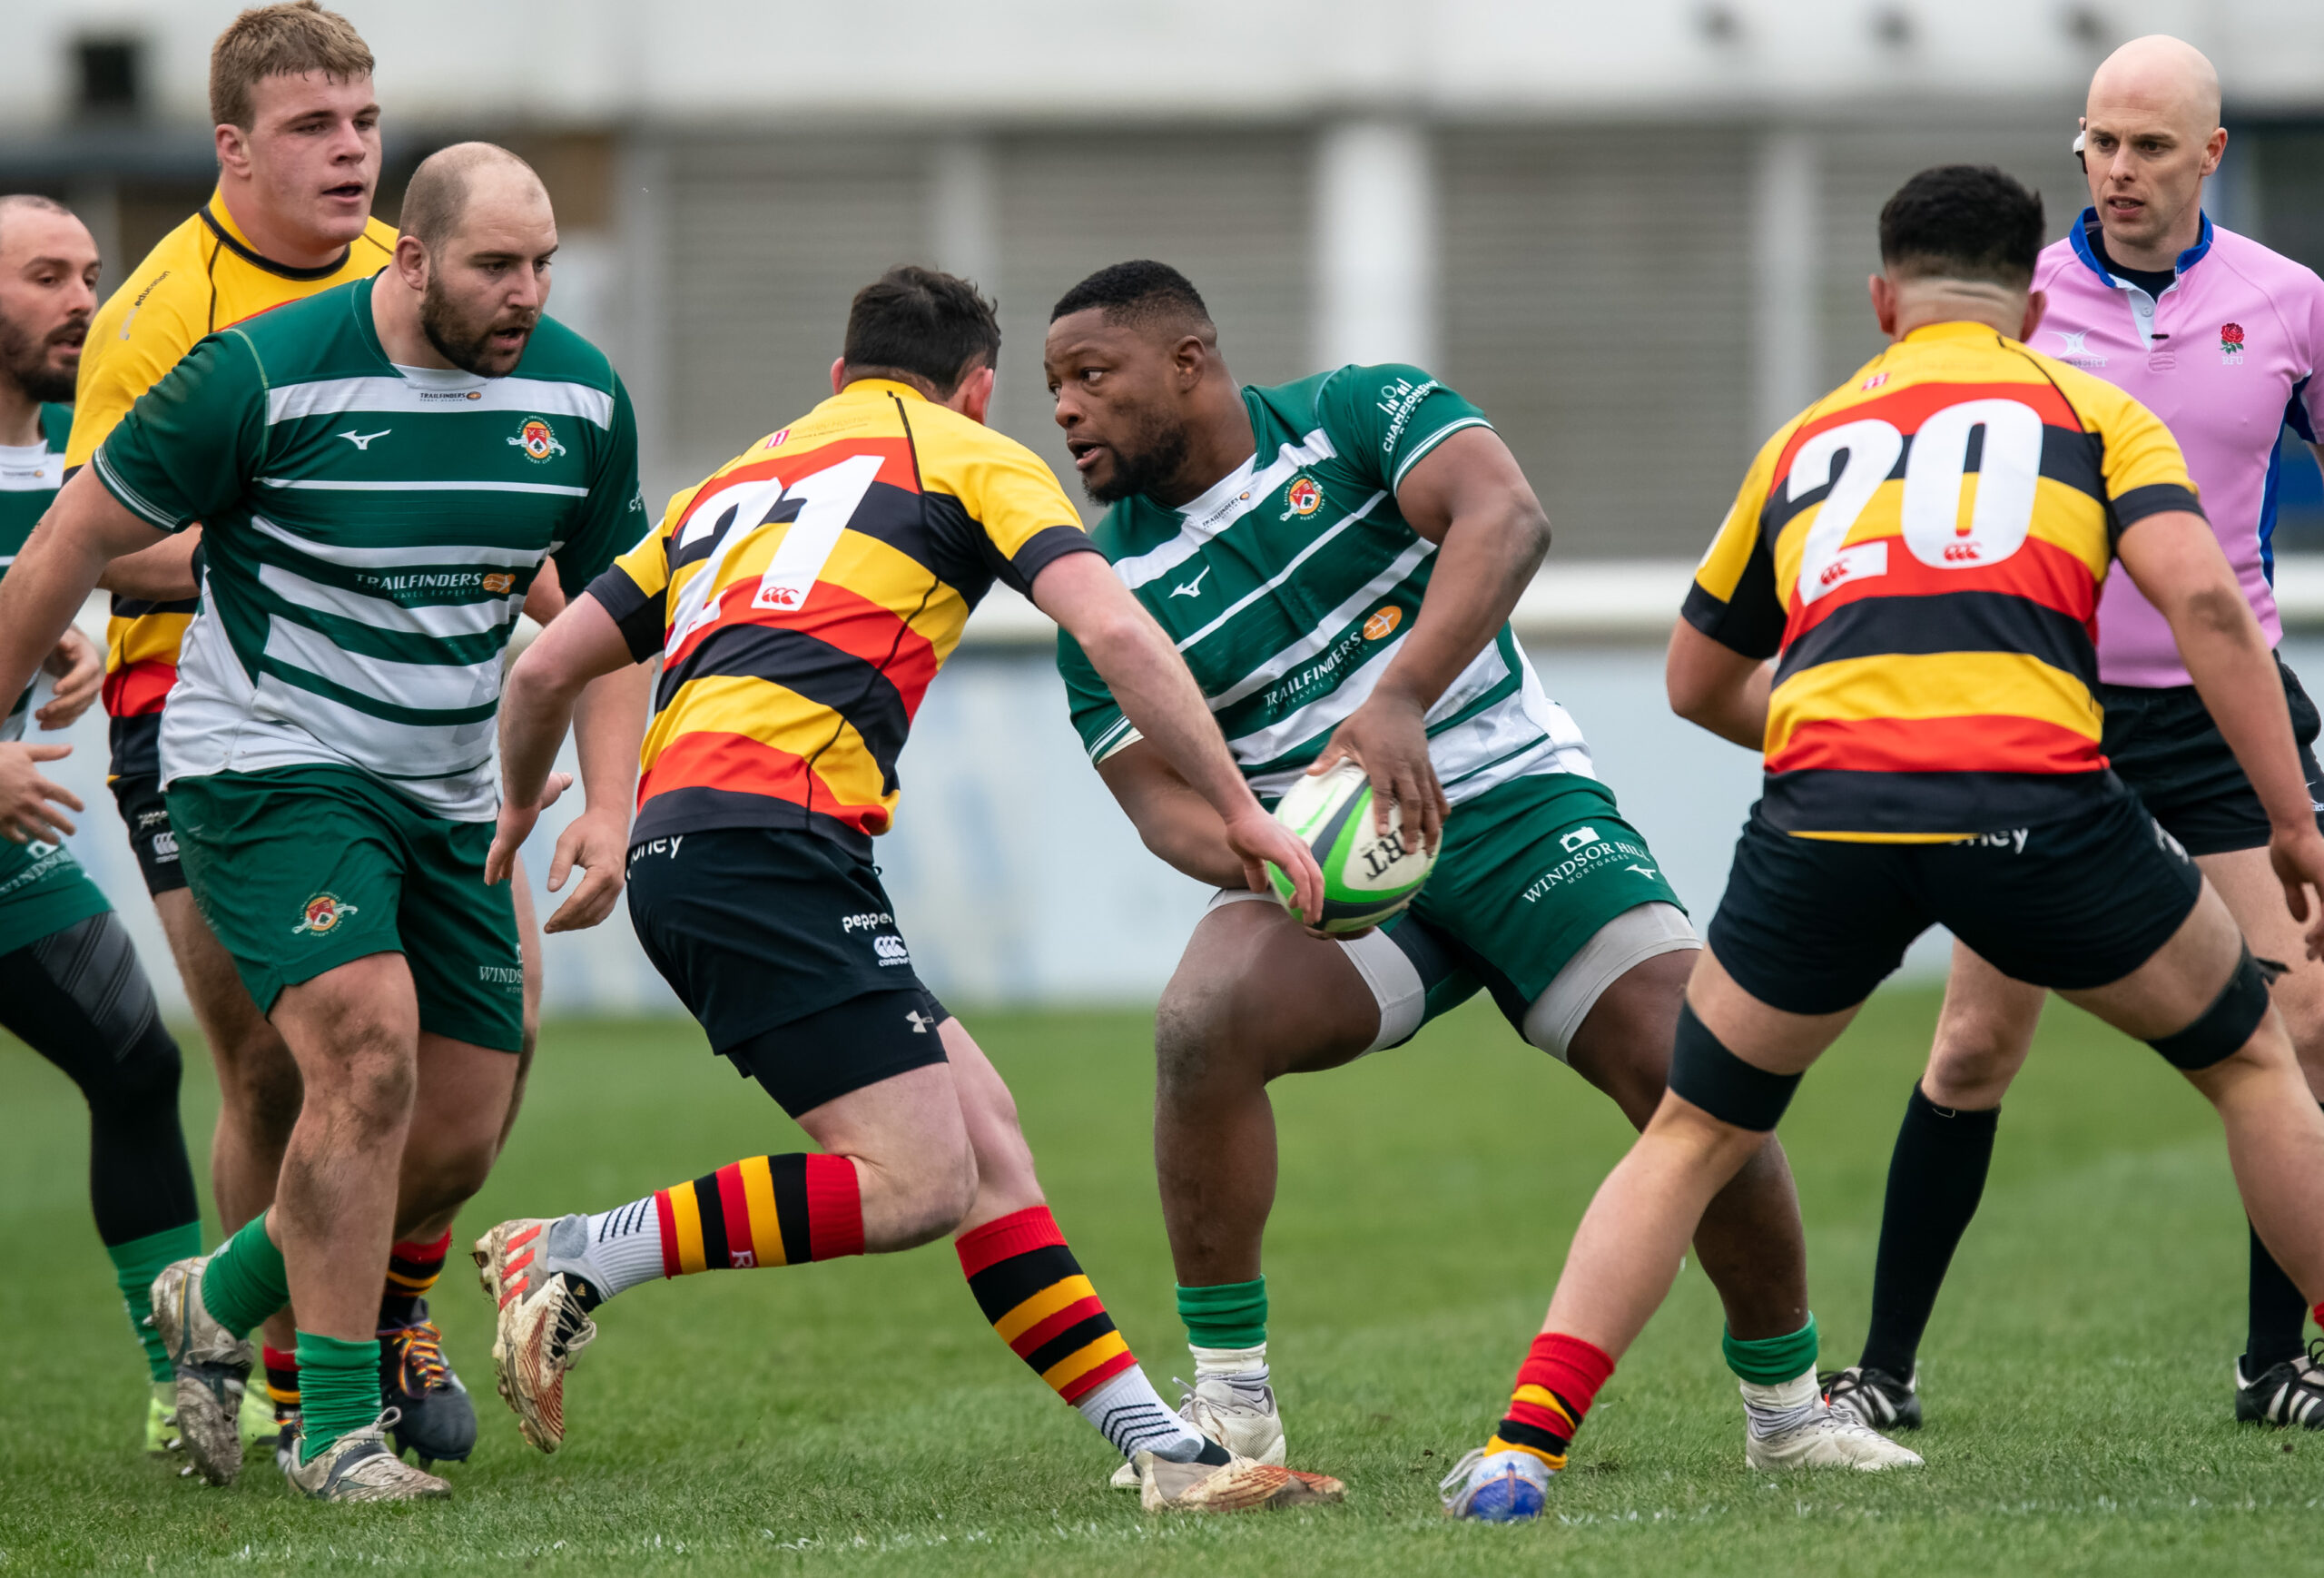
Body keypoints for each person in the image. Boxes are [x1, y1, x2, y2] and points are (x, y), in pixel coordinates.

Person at [1440, 163, 2324, 1523]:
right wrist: (2290, 818)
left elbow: (1694, 680)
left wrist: (1840, 728)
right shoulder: (2093, 411)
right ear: (2035, 305)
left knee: (1692, 1131)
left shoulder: (1806, 438)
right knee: (2255, 1060)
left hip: (1828, 817)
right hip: (2037, 803)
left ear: (1880, 300)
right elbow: (2206, 606)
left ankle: (1521, 1447)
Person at [472, 264, 1343, 1513]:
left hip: (706, 842)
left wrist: (534, 807)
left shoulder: (731, 482)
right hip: (769, 845)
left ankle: (1172, 1455)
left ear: (841, 374)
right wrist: (1242, 804)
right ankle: (574, 1252)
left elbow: (540, 672)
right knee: (919, 1181)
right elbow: (1113, 630)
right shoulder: (970, 456)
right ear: (977, 388)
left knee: (985, 1145)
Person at [1039, 260, 1914, 1485]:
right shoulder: (1100, 595)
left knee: (1691, 1063)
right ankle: (1232, 1410)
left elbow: (1508, 518)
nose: (1065, 408)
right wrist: (1264, 851)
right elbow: (1156, 805)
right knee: (1200, 1021)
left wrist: (1399, 695)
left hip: (1515, 806)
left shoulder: (1356, 412)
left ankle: (1789, 1414)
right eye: (1053, 387)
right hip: (1331, 873)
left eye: (1091, 375)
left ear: (1188, 362)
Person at [0, 142, 647, 1502]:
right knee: (364, 1048)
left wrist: (610, 798)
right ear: (411, 260)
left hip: (449, 786)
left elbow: (611, 615)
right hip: (266, 763)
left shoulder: (582, 392)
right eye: (495, 266)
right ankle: (335, 1429)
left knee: (455, 1130)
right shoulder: (259, 370)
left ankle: (218, 1292)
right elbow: (71, 536)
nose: (526, 294)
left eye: (541, 265)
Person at [62, 1, 547, 1469]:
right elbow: (102, 532)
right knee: (288, 1068)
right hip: (208, 720)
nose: (351, 152)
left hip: (420, 720)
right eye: (313, 128)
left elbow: (500, 486)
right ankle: (283, 1385)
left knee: (490, 1044)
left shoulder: (420, 271)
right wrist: (308, 540)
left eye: (365, 122)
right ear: (233, 147)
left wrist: (585, 620)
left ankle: (363, 1299)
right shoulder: (166, 310)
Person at [1822, 37, 2324, 1435]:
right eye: (2099, 142)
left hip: (2220, 717)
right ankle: (1885, 1367)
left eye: (2150, 146)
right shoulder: (2019, 307)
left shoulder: (2289, 304)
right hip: (2043, 706)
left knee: (2304, 1019)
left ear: (2211, 154)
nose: (2117, 170)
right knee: (1977, 1039)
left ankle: (2275, 1362)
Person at [0, 193, 202, 1457]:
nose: (84, 299)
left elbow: (157, 557)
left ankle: (191, 1386)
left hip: (11, 857)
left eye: (89, 274)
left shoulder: (73, 460)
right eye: (45, 276)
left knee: (136, 1066)